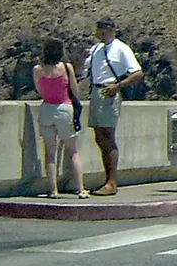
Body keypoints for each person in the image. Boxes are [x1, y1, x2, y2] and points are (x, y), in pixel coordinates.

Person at [83, 18, 143, 195]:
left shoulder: (121, 48)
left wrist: (118, 86)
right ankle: (107, 179)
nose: (101, 33)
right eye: (99, 29)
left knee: (107, 135)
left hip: (109, 92)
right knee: (99, 136)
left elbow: (137, 72)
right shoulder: (96, 49)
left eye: (104, 30)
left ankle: (112, 182)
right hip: (96, 91)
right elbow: (85, 69)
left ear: (112, 31)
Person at [33, 39, 88, 199]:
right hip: (64, 108)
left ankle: (53, 190)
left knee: (50, 154)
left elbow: (40, 90)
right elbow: (75, 90)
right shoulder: (66, 67)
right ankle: (81, 189)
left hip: (47, 109)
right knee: (73, 151)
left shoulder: (38, 70)